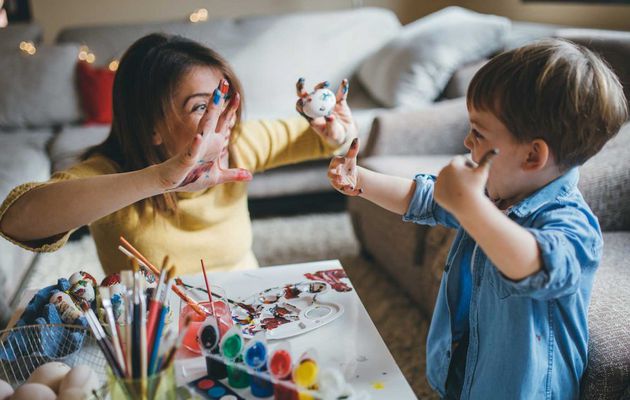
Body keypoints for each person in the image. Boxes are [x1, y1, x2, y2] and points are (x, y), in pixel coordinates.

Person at [328, 39, 628, 399]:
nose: (468, 141)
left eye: (479, 132)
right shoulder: (492, 192)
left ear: (533, 155)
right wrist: (360, 181)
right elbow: (423, 197)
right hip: (471, 369)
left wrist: (471, 207)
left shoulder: (572, 226)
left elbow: (536, 266)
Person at [0, 33, 357, 275]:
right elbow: (17, 220)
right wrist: (160, 180)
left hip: (246, 310)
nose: (223, 119)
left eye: (224, 101)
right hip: (156, 334)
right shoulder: (110, 174)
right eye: (203, 107)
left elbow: (330, 139)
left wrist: (339, 129)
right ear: (151, 126)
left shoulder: (240, 143)